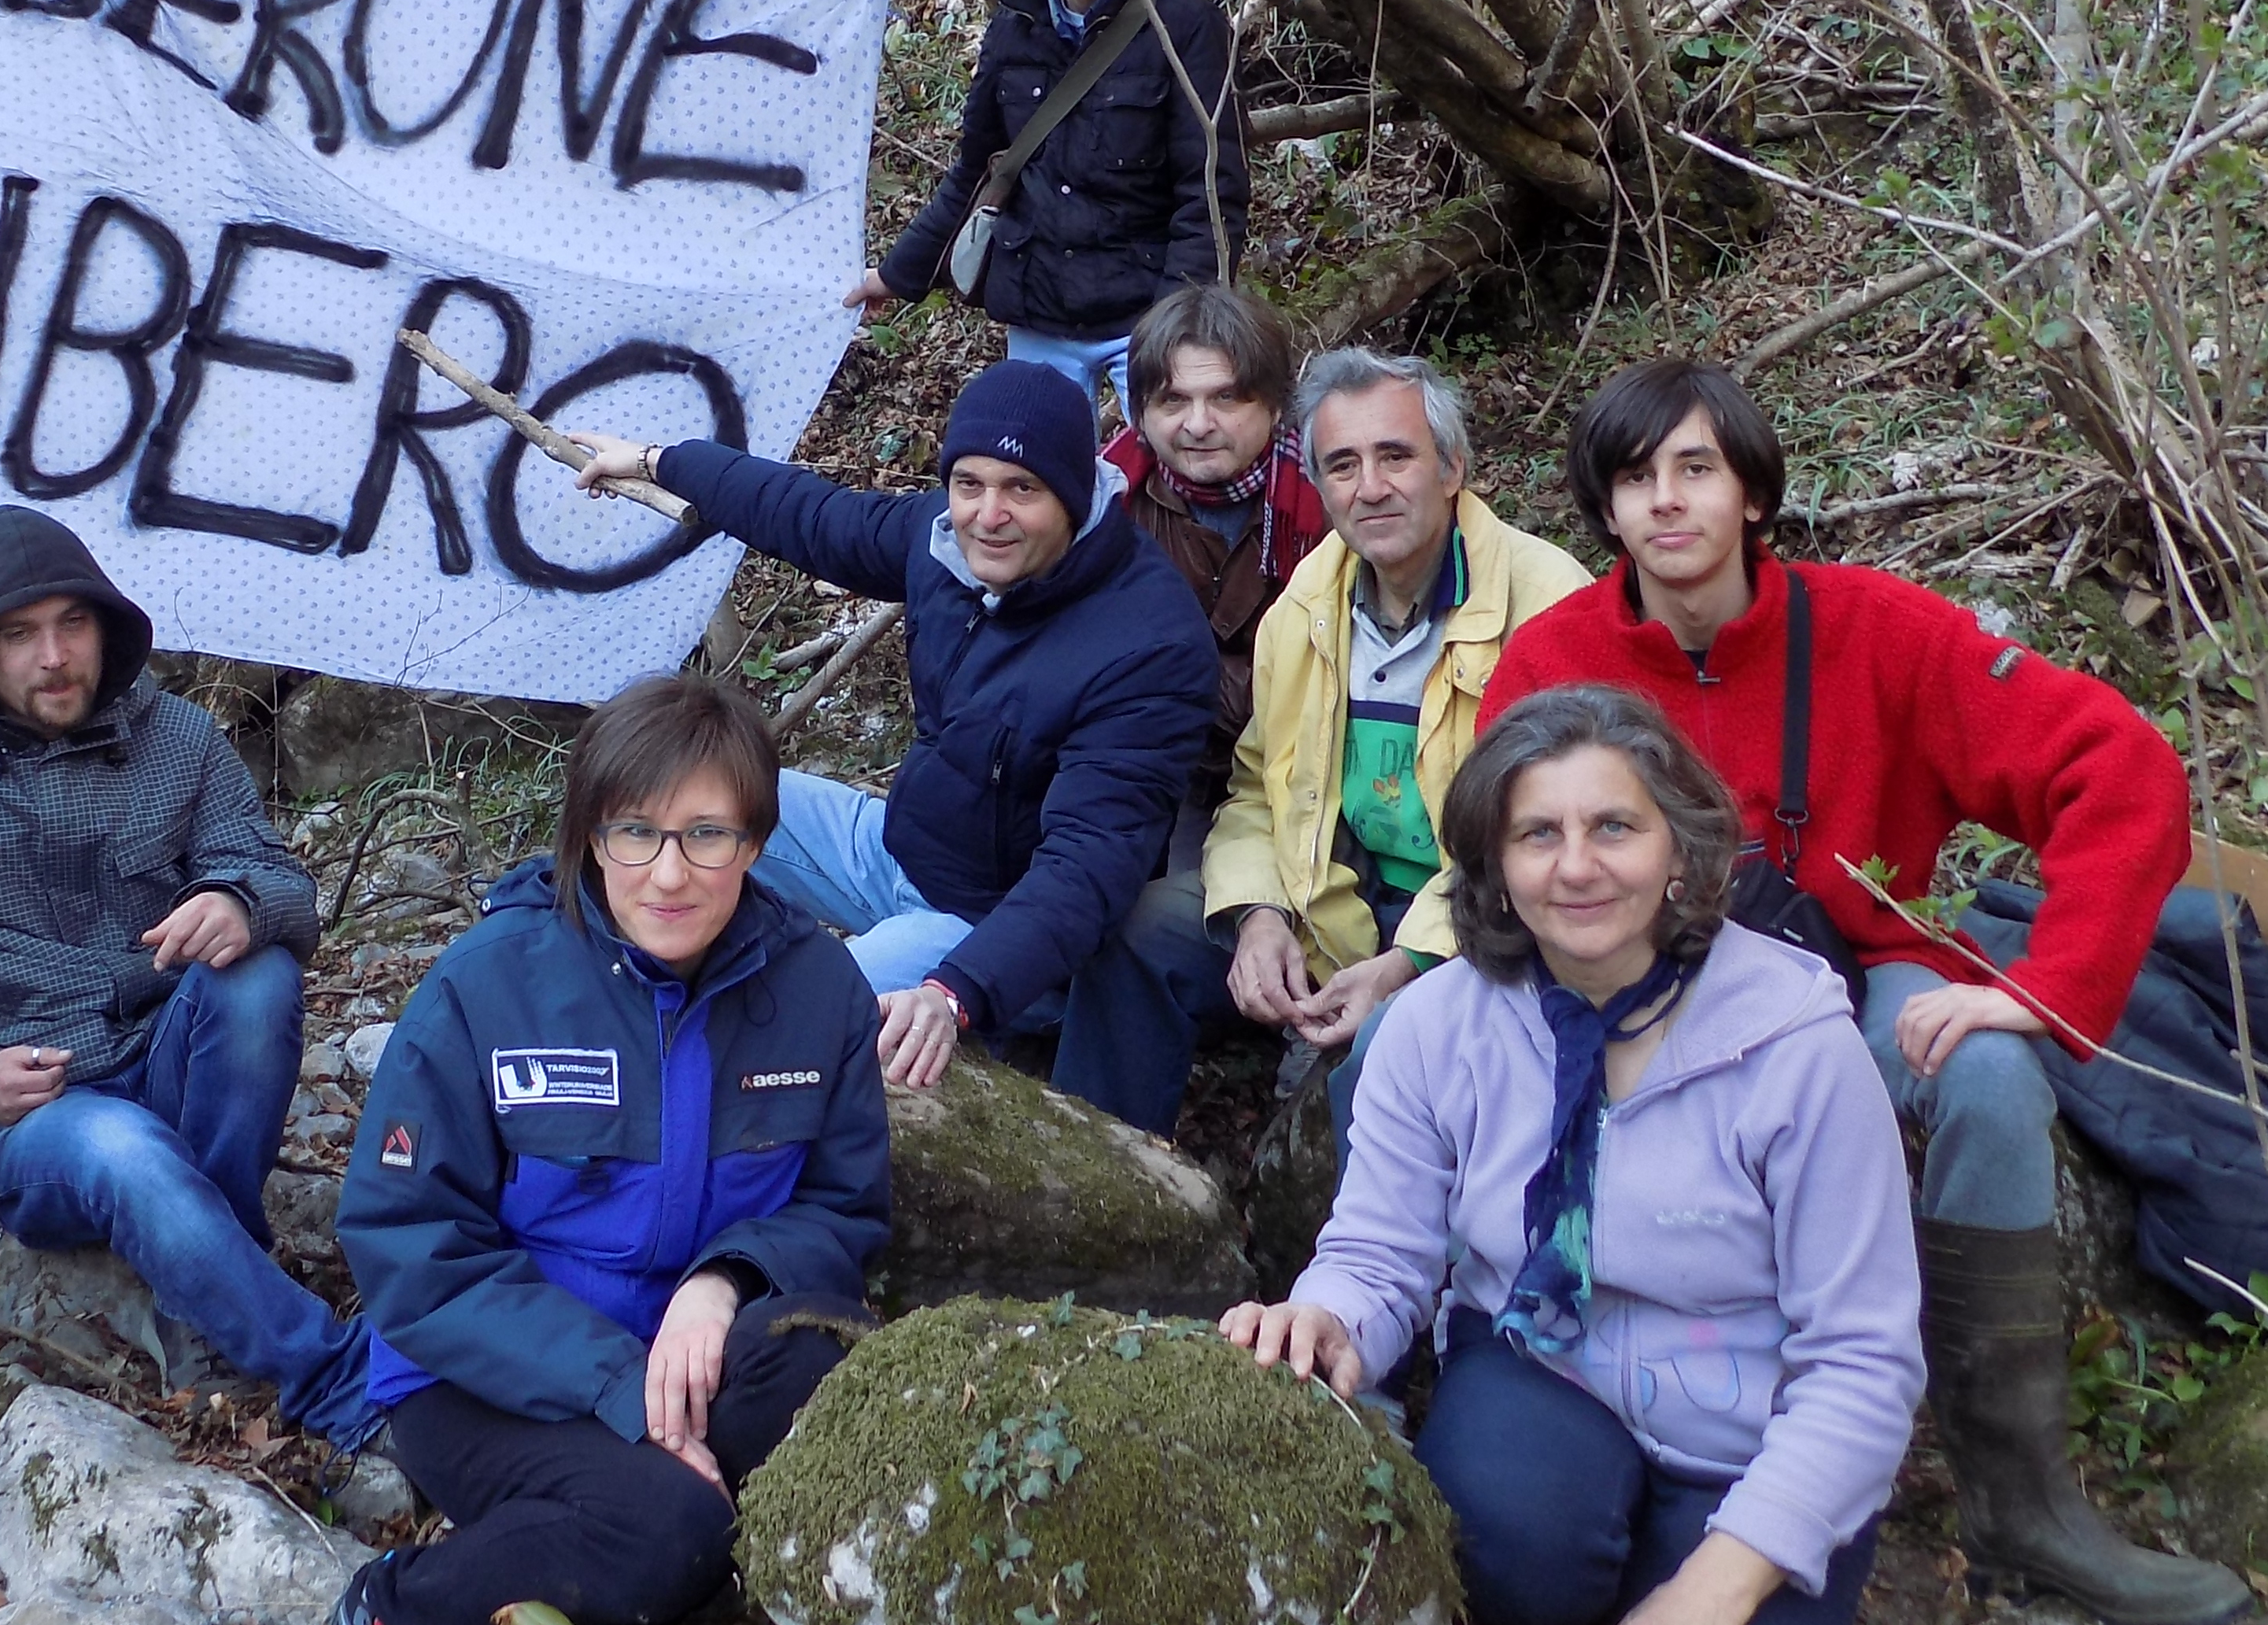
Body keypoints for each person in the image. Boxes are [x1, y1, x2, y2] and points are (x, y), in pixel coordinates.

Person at [1480, 359, 2246, 1625]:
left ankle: (2018, 1493)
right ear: (1601, 510)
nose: (1665, 502)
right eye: (1632, 476)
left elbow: (2121, 765)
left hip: (1845, 971)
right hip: (1618, 989)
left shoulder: (1879, 629)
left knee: (1993, 1078)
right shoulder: (1554, 663)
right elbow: (1492, 863)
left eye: (1695, 468)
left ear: (1752, 490)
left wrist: (2046, 989)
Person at [1225, 684, 1923, 1625]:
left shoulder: (1800, 1049)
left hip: (1747, 1440)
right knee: (1501, 1519)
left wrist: (1717, 1590)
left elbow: (1864, 1362)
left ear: (1680, 852)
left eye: (1615, 827)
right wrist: (1329, 1320)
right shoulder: (1442, 1027)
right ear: (1492, 870)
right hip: (1549, 1374)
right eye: (1538, 834)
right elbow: (1382, 1247)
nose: (1577, 867)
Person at [294, 674, 888, 1625]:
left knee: (833, 1367)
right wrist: (621, 1389)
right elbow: (408, 1238)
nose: (671, 873)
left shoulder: (820, 990)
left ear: (756, 841)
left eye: (707, 835)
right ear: (590, 835)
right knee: (672, 1525)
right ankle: (397, 1616)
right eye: (637, 833)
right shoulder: (491, 983)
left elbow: (844, 1207)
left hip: (689, 1352)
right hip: (483, 1376)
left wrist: (726, 1280)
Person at [0, 508, 372, 1440]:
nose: (53, 656)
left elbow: (281, 882)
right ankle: (338, 1381)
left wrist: (241, 904)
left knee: (259, 980)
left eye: (72, 625)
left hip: (170, 1051)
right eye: (19, 633)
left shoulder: (181, 740)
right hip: (43, 1111)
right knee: (122, 1150)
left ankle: (201, 1290)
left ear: (106, 628)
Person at [571, 360, 1215, 1125]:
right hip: (895, 847)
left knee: (789, 1024)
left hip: (988, 928)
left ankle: (649, 1124)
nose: (988, 513)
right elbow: (809, 514)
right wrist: (659, 461)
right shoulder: (944, 545)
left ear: (1074, 497)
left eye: (1022, 489)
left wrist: (957, 991)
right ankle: (585, 1001)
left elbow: (1087, 870)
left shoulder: (1147, 642)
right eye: (969, 483)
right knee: (660, 801)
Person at [1202, 349, 1590, 1138]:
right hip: (1335, 903)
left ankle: (1371, 1253)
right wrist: (1256, 913)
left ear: (1452, 468)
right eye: (1341, 464)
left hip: (1491, 918)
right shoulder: (1304, 610)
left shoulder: (1547, 603)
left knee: (1387, 1052)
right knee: (1142, 938)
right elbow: (1253, 791)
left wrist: (1411, 960)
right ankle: (1130, 1215)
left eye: (1394, 456)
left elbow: (1561, 832)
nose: (1369, 487)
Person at [844, 0, 1249, 415]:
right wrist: (895, 275)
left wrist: (1181, 326)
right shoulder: (1015, 26)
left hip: (1150, 317)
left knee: (1175, 485)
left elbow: (1211, 194)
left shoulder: (1183, 25)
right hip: (1040, 316)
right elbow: (978, 172)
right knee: (1039, 496)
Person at [1094, 283, 1330, 1127]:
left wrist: (1188, 680)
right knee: (1104, 905)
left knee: (1210, 906)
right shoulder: (1104, 503)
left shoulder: (1329, 500)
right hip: (1153, 762)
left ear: (1271, 403)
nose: (1198, 424)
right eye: (1174, 400)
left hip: (1295, 772)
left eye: (1226, 397)